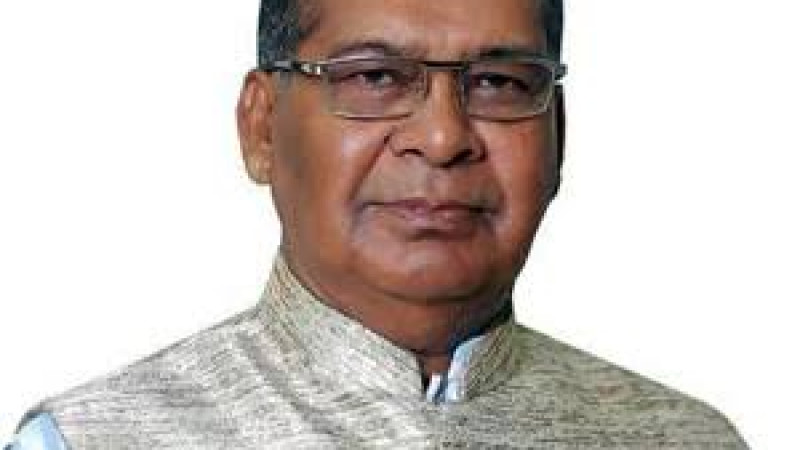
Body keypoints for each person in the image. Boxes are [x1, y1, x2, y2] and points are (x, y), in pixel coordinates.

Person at [5, 0, 748, 448]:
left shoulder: (687, 441)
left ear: (559, 133)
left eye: (498, 82)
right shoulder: (92, 440)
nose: (443, 137)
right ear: (261, 128)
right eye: (374, 77)